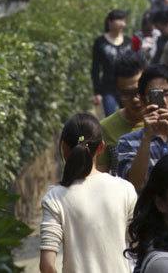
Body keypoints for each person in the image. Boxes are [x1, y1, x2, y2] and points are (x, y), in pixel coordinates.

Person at [40, 113, 136, 273]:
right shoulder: (124, 189)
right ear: (101, 147)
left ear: (64, 147)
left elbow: (47, 265)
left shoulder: (55, 198)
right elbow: (137, 243)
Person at [97, 52, 168, 173]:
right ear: (117, 92)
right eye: (127, 94)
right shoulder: (106, 128)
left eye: (139, 91)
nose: (135, 99)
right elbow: (101, 175)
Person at [91, 9, 132, 116]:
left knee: (129, 117)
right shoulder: (100, 42)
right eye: (119, 20)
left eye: (124, 20)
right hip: (108, 89)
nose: (122, 23)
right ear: (110, 22)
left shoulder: (129, 42)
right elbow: (95, 68)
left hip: (127, 88)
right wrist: (97, 92)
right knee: (111, 118)